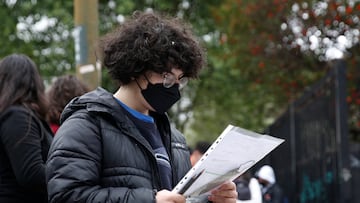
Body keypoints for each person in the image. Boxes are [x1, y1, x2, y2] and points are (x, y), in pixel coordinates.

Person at [46, 11, 237, 203]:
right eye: (166, 77)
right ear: (135, 68)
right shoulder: (86, 126)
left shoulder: (175, 139)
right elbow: (66, 196)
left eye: (180, 80)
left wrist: (212, 200)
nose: (174, 87)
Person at [0, 54, 53, 203]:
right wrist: (72, 174)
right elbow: (31, 174)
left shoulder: (21, 115)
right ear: (33, 81)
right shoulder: (17, 117)